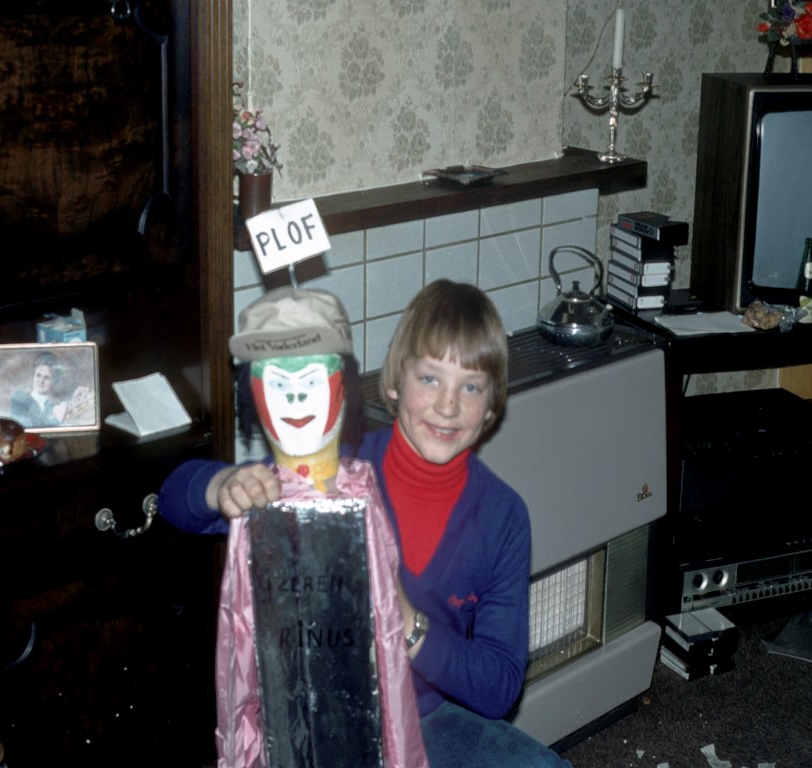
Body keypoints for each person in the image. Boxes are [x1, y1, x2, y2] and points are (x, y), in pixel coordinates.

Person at [159, 279, 570, 768]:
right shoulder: (336, 473)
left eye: (471, 387)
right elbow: (173, 498)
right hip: (312, 717)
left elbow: (499, 688)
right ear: (394, 382)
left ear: (492, 407)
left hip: (427, 718)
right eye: (430, 378)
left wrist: (406, 621)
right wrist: (224, 484)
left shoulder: (503, 517)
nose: (448, 405)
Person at [9, 350, 93, 429]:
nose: (41, 381)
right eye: (38, 375)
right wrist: (57, 420)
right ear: (33, 375)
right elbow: (27, 427)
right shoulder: (20, 400)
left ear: (54, 381)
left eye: (47, 378)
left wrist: (76, 397)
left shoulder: (53, 406)